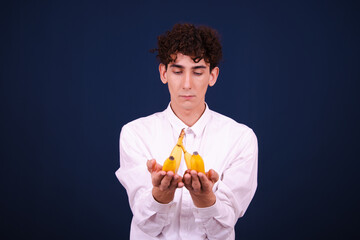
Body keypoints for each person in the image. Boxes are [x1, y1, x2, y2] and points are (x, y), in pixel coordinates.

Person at [115, 23, 258, 240]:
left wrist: (205, 199)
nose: (187, 84)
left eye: (198, 72)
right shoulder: (135, 134)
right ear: (164, 73)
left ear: (213, 76)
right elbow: (146, 224)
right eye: (177, 71)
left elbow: (222, 229)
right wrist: (160, 195)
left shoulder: (240, 139)